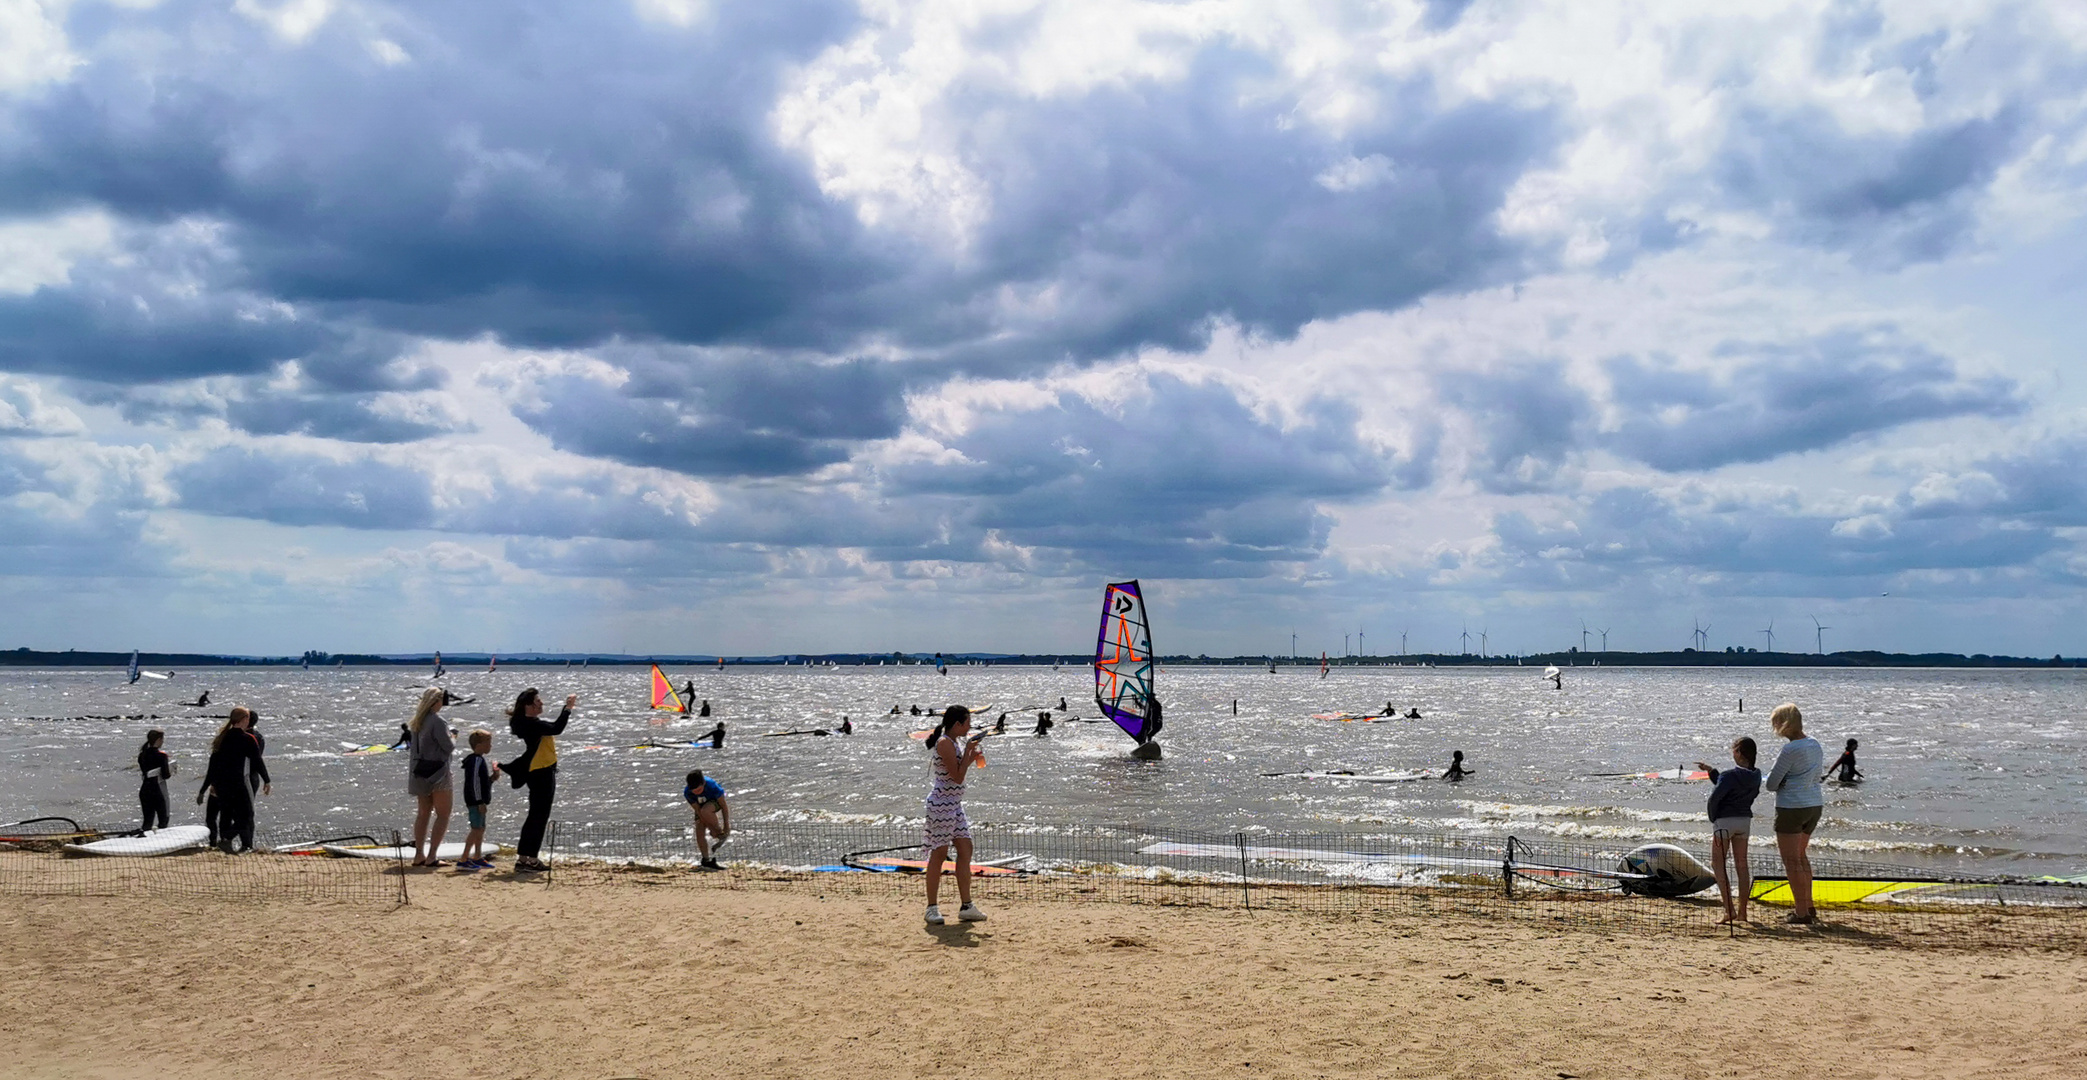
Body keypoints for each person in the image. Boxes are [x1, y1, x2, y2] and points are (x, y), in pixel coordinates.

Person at [922, 705, 988, 926]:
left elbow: (959, 774)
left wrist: (971, 753)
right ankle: (931, 908)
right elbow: (957, 777)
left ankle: (966, 905)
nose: (970, 727)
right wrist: (970, 754)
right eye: (967, 722)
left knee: (965, 848)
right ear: (958, 724)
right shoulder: (944, 743)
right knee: (939, 854)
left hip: (954, 804)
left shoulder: (954, 742)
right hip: (941, 805)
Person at [1763, 703, 1825, 924]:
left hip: (1792, 807)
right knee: (1801, 857)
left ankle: (1800, 912)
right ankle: (1808, 905)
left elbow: (1771, 784)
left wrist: (1785, 781)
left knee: (1791, 861)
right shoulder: (1815, 744)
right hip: (1814, 804)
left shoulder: (1790, 750)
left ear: (1783, 725)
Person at [501, 688, 575, 873]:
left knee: (536, 816)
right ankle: (530, 859)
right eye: (538, 701)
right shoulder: (532, 724)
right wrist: (567, 708)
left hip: (541, 771)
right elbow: (557, 728)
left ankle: (524, 857)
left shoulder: (530, 723)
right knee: (539, 817)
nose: (541, 703)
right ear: (529, 706)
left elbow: (550, 728)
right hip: (541, 773)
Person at [1697, 737, 1763, 925]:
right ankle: (1743, 912)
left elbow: (1715, 797)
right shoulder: (1756, 774)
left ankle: (1729, 910)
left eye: (1734, 750)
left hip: (1725, 822)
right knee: (1742, 865)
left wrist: (1713, 818)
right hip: (1744, 821)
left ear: (1740, 753)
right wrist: (1711, 771)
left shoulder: (1729, 776)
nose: (1732, 753)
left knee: (1718, 863)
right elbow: (1729, 783)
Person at [198, 707, 269, 854]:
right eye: (247, 718)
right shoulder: (248, 739)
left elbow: (213, 765)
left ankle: (226, 845)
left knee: (226, 814)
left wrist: (205, 788)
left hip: (223, 784)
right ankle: (228, 839)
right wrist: (267, 780)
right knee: (246, 816)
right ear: (244, 720)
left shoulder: (222, 738)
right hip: (240, 784)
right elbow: (257, 761)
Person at [405, 688, 456, 868]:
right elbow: (448, 747)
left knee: (423, 813)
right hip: (438, 773)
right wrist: (454, 736)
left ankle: (419, 853)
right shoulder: (437, 721)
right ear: (436, 701)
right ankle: (432, 855)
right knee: (443, 814)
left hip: (419, 771)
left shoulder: (417, 721)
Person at [458, 730, 498, 870]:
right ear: (479, 745)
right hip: (475, 801)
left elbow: (482, 783)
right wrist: (479, 801)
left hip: (479, 800)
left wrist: (492, 778)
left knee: (481, 828)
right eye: (488, 743)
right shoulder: (475, 760)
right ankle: (463, 859)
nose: (490, 746)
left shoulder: (479, 759)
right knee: (476, 829)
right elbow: (474, 782)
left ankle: (477, 856)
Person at [684, 770, 731, 870]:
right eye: (694, 791)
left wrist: (726, 825)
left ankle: (720, 833)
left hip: (714, 803)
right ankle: (706, 860)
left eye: (699, 789)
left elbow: (724, 806)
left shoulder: (712, 786)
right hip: (700, 808)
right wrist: (710, 828)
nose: (697, 792)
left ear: (703, 784)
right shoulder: (687, 793)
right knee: (699, 831)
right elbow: (698, 810)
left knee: (706, 810)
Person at [137, 729, 174, 831]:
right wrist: (172, 770)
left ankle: (144, 841)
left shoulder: (142, 755)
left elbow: (146, 771)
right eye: (162, 739)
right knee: (163, 820)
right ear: (158, 740)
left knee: (147, 822)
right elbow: (165, 775)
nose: (162, 742)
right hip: (157, 790)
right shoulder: (162, 756)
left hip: (145, 790)